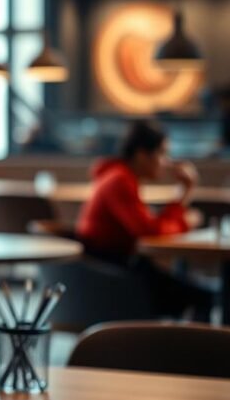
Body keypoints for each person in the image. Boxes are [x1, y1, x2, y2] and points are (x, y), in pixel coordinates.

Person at [77, 119, 213, 320]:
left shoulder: (119, 176)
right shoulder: (119, 181)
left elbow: (152, 228)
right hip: (114, 280)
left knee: (199, 290)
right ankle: (199, 349)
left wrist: (183, 196)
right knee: (204, 296)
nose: (166, 161)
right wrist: (185, 218)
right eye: (162, 153)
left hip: (115, 270)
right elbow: (150, 234)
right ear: (141, 155)